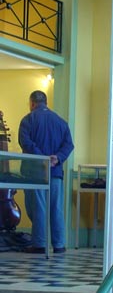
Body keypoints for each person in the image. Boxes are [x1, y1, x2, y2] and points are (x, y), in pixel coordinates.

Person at [18, 90, 74, 254]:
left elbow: (25, 142)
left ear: (32, 103)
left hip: (34, 172)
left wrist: (42, 158)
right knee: (56, 208)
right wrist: (57, 157)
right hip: (55, 171)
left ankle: (39, 244)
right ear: (46, 102)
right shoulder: (61, 122)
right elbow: (69, 145)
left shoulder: (28, 120)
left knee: (38, 208)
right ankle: (59, 245)